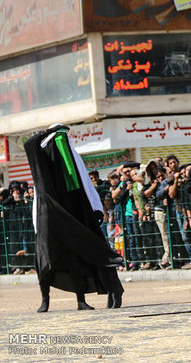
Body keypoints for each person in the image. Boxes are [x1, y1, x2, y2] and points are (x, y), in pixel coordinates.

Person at [24, 124, 123, 311]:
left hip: (72, 215)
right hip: (48, 215)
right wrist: (48, 131)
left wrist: (95, 210)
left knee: (76, 258)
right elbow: (29, 143)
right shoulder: (43, 159)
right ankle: (45, 301)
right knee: (46, 259)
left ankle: (82, 300)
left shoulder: (72, 160)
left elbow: (85, 187)